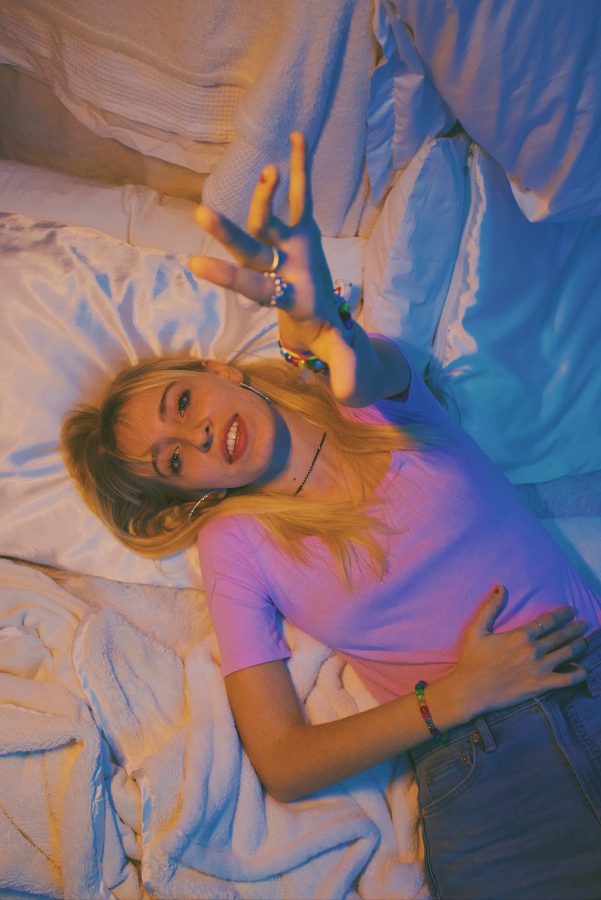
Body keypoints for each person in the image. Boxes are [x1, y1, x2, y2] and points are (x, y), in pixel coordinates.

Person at [62, 133, 601, 899]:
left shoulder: (368, 396)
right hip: (484, 773)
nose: (197, 436)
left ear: (214, 370)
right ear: (189, 493)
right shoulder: (235, 542)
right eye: (173, 462)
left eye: (181, 404)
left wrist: (324, 331)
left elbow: (354, 369)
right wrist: (451, 698)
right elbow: (283, 762)